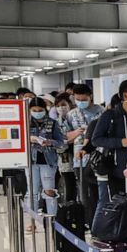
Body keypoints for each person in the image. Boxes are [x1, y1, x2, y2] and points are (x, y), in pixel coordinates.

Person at [91, 80, 127, 198]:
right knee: (119, 205)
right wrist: (119, 142)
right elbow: (96, 139)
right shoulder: (110, 116)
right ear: (125, 96)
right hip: (117, 169)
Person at [63, 83, 104, 223]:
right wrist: (75, 133)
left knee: (99, 191)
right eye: (77, 99)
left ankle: (99, 220)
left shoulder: (101, 111)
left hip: (99, 157)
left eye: (83, 99)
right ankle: (87, 221)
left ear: (90, 96)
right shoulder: (71, 115)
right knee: (84, 193)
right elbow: (64, 138)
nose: (80, 102)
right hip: (79, 158)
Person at [27, 97, 66, 219]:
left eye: (40, 110)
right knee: (32, 193)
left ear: (45, 109)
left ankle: (53, 219)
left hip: (48, 161)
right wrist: (31, 139)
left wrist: (50, 142)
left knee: (49, 191)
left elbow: (61, 142)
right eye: (34, 110)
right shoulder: (25, 122)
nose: (37, 112)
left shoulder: (52, 123)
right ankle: (32, 221)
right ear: (29, 110)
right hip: (31, 161)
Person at [51, 94, 78, 202]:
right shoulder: (56, 122)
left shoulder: (76, 118)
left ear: (70, 104)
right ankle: (69, 205)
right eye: (57, 106)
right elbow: (59, 139)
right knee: (68, 180)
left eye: (63, 105)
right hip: (65, 154)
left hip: (78, 152)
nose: (61, 108)